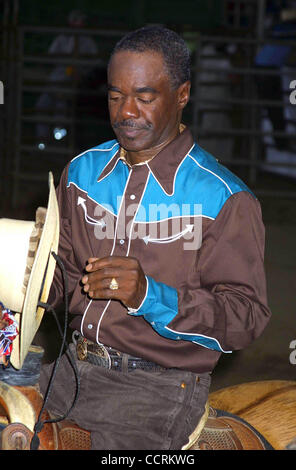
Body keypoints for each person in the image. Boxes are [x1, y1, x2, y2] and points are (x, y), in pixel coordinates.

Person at [39, 26, 271, 450]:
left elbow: (246, 318)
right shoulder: (81, 174)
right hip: (70, 367)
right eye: (115, 96)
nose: (126, 111)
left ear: (182, 94)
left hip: (157, 389)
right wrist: (24, 273)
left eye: (145, 97)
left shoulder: (224, 198)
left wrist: (149, 295)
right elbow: (60, 280)